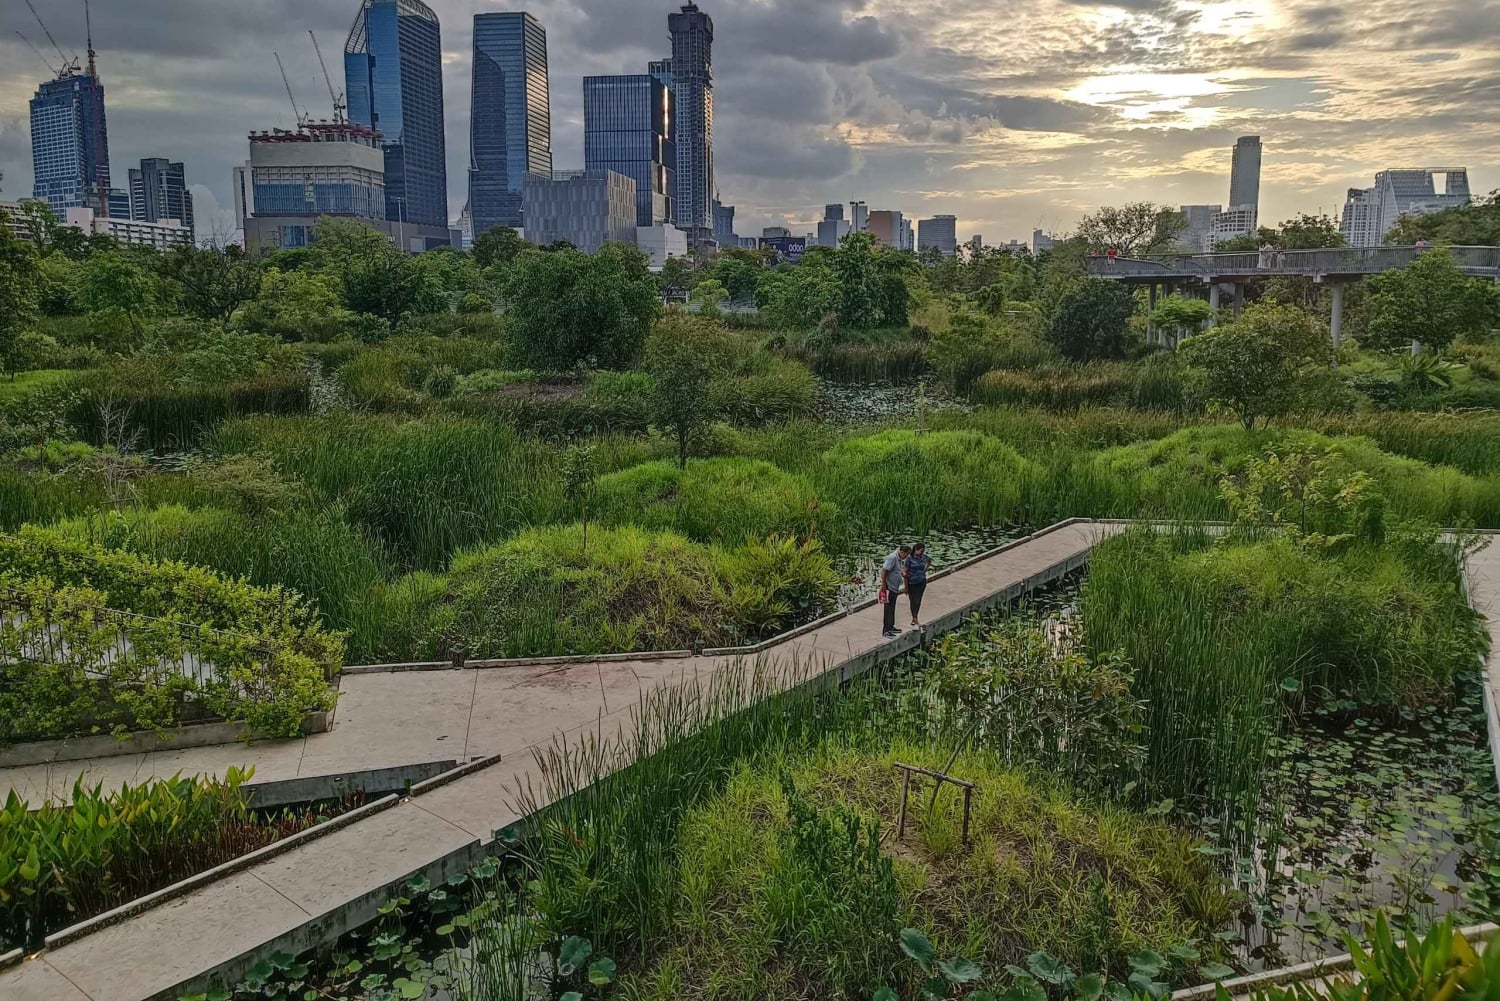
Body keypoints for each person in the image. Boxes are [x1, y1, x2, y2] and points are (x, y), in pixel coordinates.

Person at [880, 544, 910, 638]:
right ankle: (886, 630)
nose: (906, 557)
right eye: (906, 554)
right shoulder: (892, 558)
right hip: (889, 587)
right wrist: (884, 584)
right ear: (902, 552)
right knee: (888, 609)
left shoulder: (899, 559)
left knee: (892, 608)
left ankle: (891, 626)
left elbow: (897, 570)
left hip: (894, 588)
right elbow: (884, 570)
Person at [906, 543, 933, 627]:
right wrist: (906, 586)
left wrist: (924, 570)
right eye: (921, 551)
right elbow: (905, 571)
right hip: (912, 582)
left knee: (918, 601)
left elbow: (929, 560)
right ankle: (914, 617)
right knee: (913, 600)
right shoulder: (909, 559)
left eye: (923, 551)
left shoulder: (924, 557)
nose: (922, 553)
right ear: (916, 549)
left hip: (921, 581)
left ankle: (915, 617)